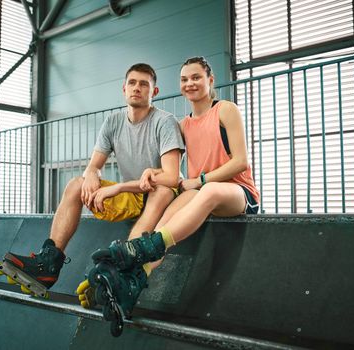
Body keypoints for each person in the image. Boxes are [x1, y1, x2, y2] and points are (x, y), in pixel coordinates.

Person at [78, 56, 260, 331]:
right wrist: (153, 171)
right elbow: (172, 167)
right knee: (162, 228)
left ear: (210, 81)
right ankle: (132, 282)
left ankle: (137, 254)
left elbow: (240, 162)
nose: (190, 83)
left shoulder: (225, 110)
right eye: (184, 79)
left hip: (238, 192)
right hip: (199, 190)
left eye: (196, 77)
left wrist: (199, 180)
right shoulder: (182, 125)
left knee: (207, 192)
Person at [0, 63, 185, 298]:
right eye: (132, 83)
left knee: (162, 191)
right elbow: (94, 165)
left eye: (144, 84)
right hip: (131, 197)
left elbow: (171, 177)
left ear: (154, 92)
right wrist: (92, 175)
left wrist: (116, 188)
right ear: (123, 88)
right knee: (76, 184)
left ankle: (121, 275)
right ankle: (48, 264)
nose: (137, 88)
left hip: (162, 194)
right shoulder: (113, 122)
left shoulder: (165, 121)